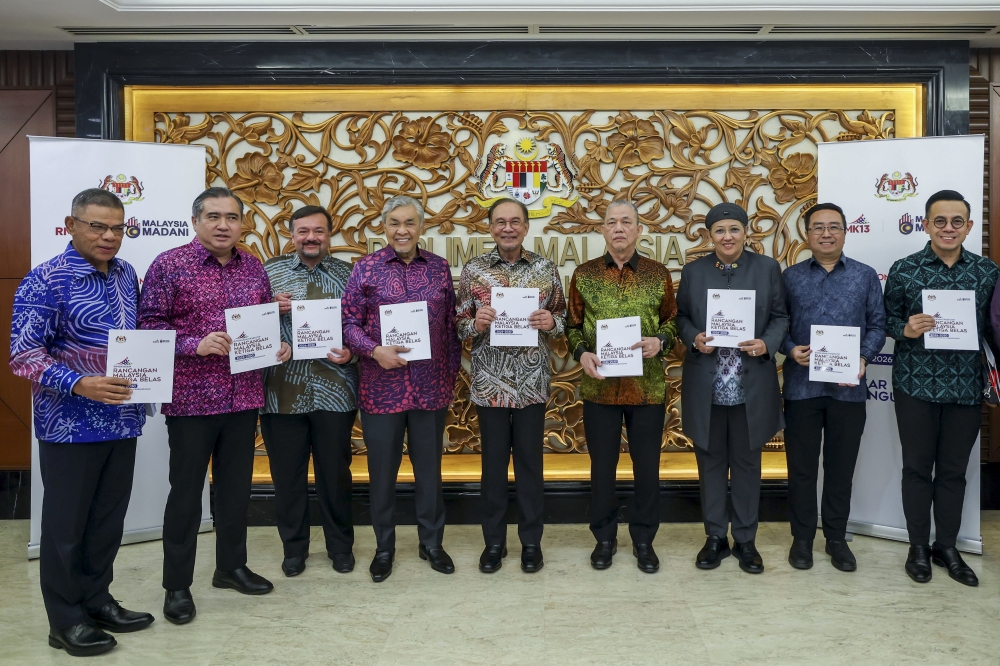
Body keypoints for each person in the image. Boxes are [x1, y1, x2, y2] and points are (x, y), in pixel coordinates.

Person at [10, 188, 154, 657]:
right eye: (97, 226)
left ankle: (97, 600)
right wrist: (78, 383)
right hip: (69, 424)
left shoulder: (126, 274)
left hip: (122, 420)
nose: (109, 236)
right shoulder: (45, 281)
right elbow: (24, 356)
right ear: (71, 225)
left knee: (107, 522)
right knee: (65, 527)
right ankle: (65, 620)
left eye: (118, 227)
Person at [138, 187, 290, 624]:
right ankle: (177, 586)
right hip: (191, 401)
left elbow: (262, 320)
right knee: (186, 495)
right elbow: (149, 328)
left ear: (243, 224)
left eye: (231, 217)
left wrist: (276, 343)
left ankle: (230, 567)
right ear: (196, 221)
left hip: (243, 396)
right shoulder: (169, 265)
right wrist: (194, 344)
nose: (223, 225)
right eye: (213, 216)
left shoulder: (253, 267)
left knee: (235, 491)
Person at [342, 195, 462, 582]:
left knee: (430, 473)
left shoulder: (440, 269)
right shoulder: (365, 268)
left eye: (409, 223)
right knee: (382, 475)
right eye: (395, 223)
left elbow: (450, 329)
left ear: (421, 227)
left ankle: (432, 544)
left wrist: (451, 377)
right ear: (384, 226)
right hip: (382, 388)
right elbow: (346, 325)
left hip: (430, 389)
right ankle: (384, 548)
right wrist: (374, 351)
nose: (402, 230)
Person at [887, 189, 997, 586]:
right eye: (939, 221)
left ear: (968, 227)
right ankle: (918, 546)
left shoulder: (987, 272)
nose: (948, 228)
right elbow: (885, 320)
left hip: (966, 387)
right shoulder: (905, 269)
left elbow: (994, 327)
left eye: (956, 222)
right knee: (916, 469)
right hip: (915, 385)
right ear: (926, 224)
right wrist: (905, 328)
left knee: (953, 472)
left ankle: (946, 547)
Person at [676, 202, 788, 574]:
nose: (727, 237)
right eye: (720, 231)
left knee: (746, 466)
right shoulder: (694, 272)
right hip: (707, 386)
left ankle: (746, 541)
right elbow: (681, 318)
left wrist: (766, 344)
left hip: (749, 385)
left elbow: (780, 316)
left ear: (746, 232)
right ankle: (714, 538)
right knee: (709, 465)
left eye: (734, 230)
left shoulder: (767, 269)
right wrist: (695, 338)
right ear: (710, 236)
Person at [455, 198, 566, 574]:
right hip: (490, 385)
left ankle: (531, 543)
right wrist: (477, 324)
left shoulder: (545, 269)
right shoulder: (473, 270)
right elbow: (457, 325)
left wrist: (551, 323)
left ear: (525, 226)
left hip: (532, 383)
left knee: (531, 466)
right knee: (493, 467)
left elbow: (563, 317)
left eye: (515, 221)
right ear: (490, 227)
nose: (508, 228)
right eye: (500, 222)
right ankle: (495, 543)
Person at [566, 199, 677, 573]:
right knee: (602, 468)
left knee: (647, 467)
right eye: (611, 222)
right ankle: (605, 539)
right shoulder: (583, 275)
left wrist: (660, 341)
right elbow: (571, 326)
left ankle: (644, 540)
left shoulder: (658, 274)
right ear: (602, 230)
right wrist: (581, 352)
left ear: (638, 230)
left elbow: (673, 322)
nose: (618, 228)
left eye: (626, 222)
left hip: (647, 388)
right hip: (600, 389)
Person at [780, 202, 886, 572]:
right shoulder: (789, 277)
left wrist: (864, 358)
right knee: (802, 470)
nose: (826, 233)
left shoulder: (865, 275)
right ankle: (803, 539)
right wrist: (790, 349)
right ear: (806, 234)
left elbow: (877, 324)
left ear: (845, 232)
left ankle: (836, 539)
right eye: (818, 227)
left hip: (848, 390)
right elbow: (778, 325)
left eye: (834, 227)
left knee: (841, 468)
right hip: (801, 390)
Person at [262, 205, 359, 577]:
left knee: (335, 474)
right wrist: (269, 311)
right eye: (303, 231)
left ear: (329, 234)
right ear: (292, 235)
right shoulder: (269, 272)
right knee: (287, 476)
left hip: (334, 390)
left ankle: (340, 546)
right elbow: (244, 322)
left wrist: (352, 351)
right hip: (281, 389)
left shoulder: (349, 275)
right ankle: (294, 549)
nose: (311, 238)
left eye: (318, 231)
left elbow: (360, 325)